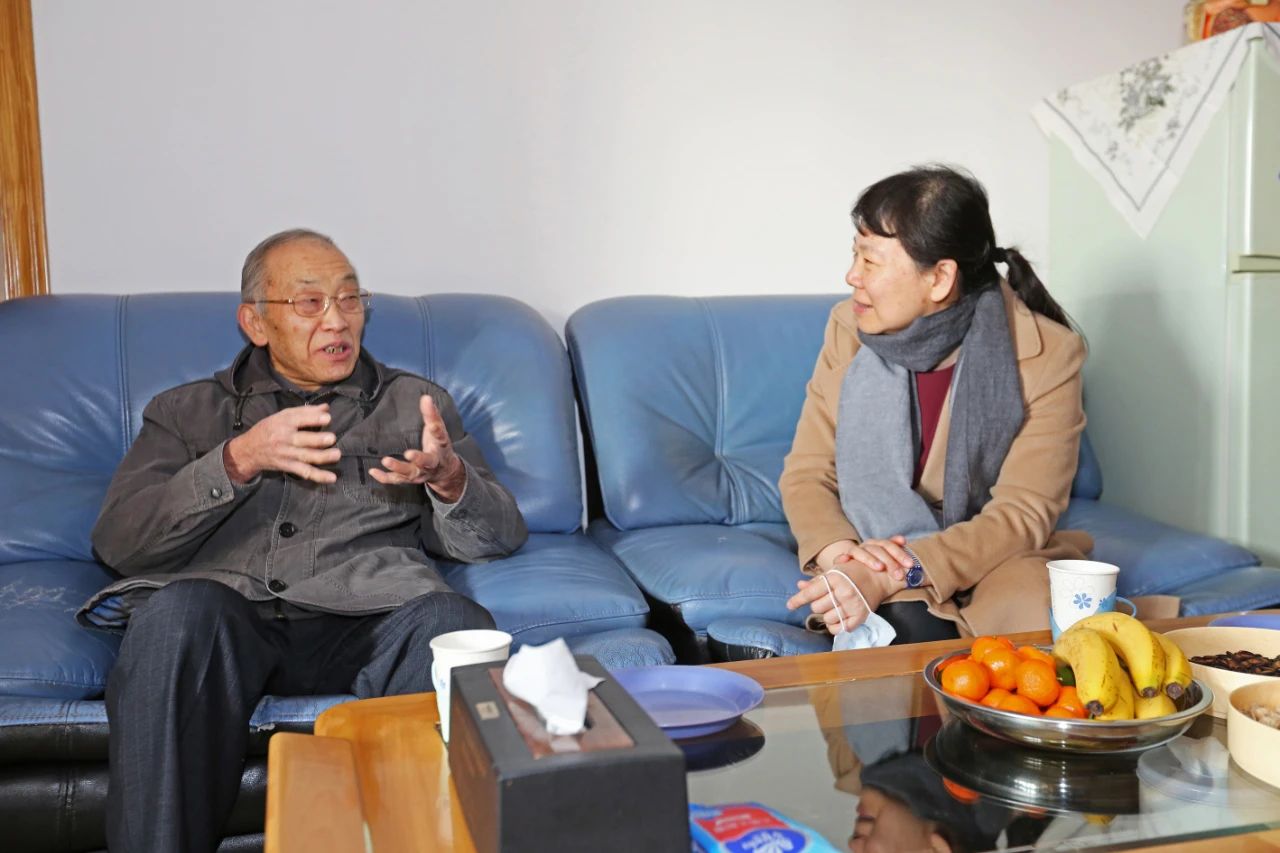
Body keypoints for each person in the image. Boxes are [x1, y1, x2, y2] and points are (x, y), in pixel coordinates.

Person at [77, 228, 528, 852]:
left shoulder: (415, 405)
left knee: (453, 624)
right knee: (175, 615)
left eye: (350, 298)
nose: (337, 320)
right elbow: (119, 543)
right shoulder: (185, 413)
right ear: (255, 323)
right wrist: (235, 461)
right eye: (310, 302)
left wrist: (451, 480)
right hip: (226, 621)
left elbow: (499, 536)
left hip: (372, 617)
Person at [781, 165, 1092, 644]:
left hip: (993, 553)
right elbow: (808, 473)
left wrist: (902, 570)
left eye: (871, 261)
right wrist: (846, 561)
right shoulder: (848, 328)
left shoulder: (1049, 354)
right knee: (896, 630)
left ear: (940, 278)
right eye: (854, 254)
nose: (851, 276)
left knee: (1032, 633)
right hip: (872, 542)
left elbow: (1023, 512)